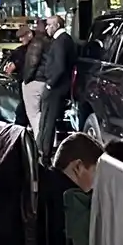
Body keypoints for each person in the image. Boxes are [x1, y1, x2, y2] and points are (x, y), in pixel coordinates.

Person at [37, 14, 78, 158]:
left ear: (57, 26)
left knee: (48, 120)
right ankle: (42, 149)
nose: (47, 28)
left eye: (49, 25)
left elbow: (59, 66)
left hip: (56, 88)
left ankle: (44, 152)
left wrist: (50, 84)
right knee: (46, 119)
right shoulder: (63, 40)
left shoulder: (61, 41)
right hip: (58, 86)